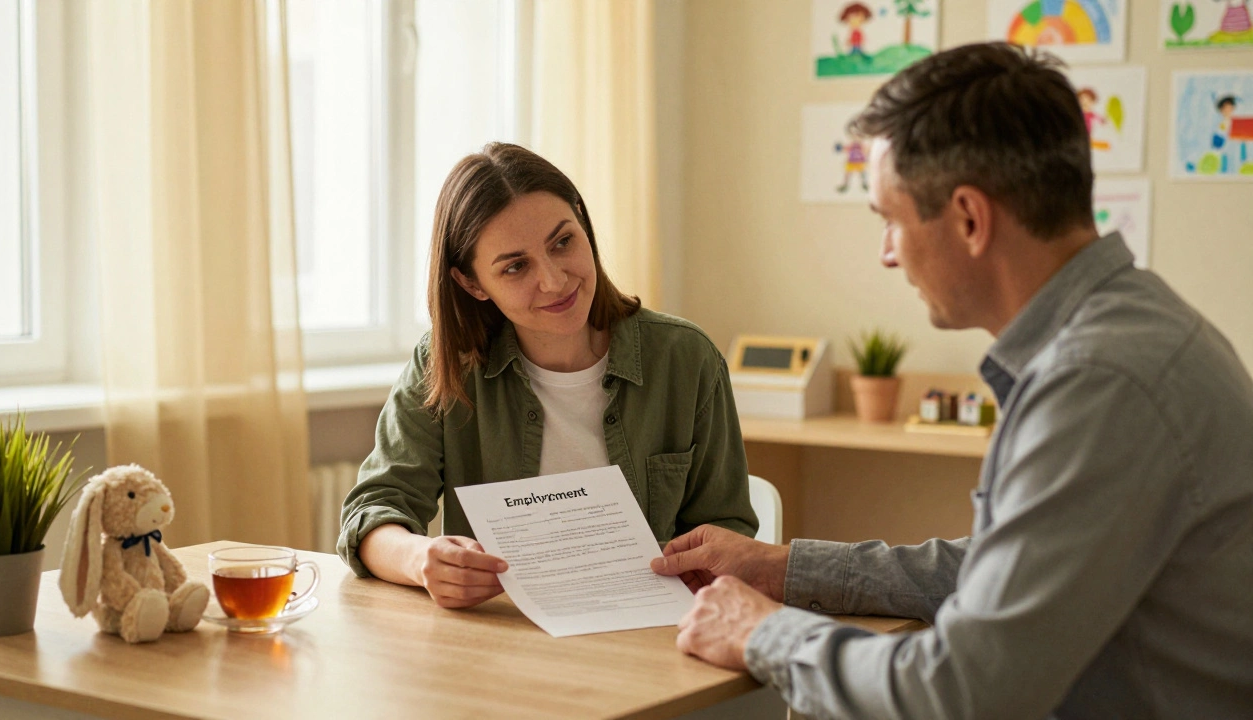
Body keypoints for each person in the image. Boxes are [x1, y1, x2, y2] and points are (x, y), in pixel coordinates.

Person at [652, 42, 1253, 719]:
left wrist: (760, 631)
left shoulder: (1100, 380)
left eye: (889, 219)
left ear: (969, 218)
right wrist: (785, 568)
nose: (886, 254)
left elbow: (963, 690)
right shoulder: (1127, 331)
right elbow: (1001, 571)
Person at [339, 142, 757, 608]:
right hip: (501, 636)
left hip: (651, 639)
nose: (555, 281)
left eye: (563, 242)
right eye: (516, 266)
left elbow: (728, 530)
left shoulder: (686, 359)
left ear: (582, 222)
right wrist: (420, 559)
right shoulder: (446, 364)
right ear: (471, 283)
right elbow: (372, 514)